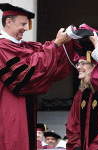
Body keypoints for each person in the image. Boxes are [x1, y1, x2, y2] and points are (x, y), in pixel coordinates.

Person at [0, 3, 81, 150]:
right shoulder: (2, 48)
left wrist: (68, 40)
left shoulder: (25, 47)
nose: (26, 28)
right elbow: (26, 76)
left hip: (24, 111)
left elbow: (46, 54)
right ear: (9, 22)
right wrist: (56, 44)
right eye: (23, 24)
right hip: (10, 113)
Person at [66, 45, 98, 150]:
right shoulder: (80, 94)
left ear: (94, 65)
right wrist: (76, 145)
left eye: (82, 63)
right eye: (78, 63)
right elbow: (73, 125)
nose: (78, 67)